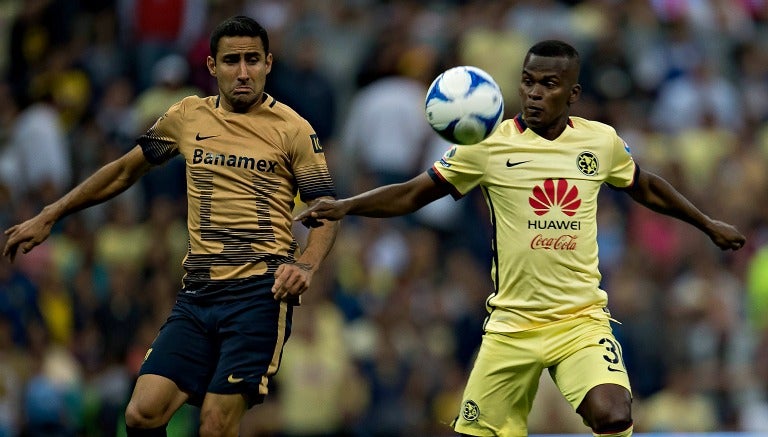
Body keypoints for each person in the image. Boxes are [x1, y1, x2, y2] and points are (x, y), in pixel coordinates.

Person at [295, 40, 746, 436]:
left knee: (613, 413)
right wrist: (348, 205)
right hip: (512, 325)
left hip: (579, 320)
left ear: (573, 94)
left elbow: (645, 185)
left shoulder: (601, 142)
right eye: (528, 81)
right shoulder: (488, 147)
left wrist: (707, 223)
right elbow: (414, 193)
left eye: (548, 84)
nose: (533, 92)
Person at [3, 15, 340, 437]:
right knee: (141, 415)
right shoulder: (188, 118)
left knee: (215, 423)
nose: (242, 71)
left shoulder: (293, 130)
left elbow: (325, 210)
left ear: (268, 63)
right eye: (231, 60)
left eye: (252, 60)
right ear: (212, 67)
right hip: (197, 296)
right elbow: (125, 171)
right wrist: (51, 213)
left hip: (259, 294)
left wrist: (307, 264)